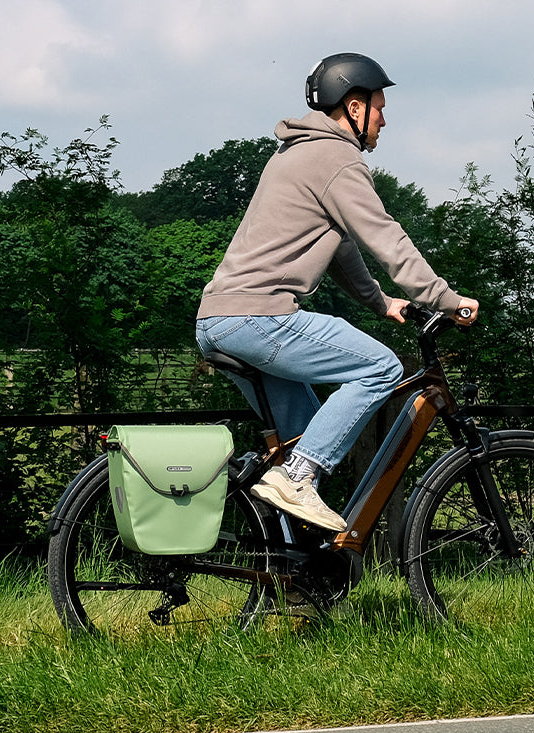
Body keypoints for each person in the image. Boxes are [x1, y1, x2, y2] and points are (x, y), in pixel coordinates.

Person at [194, 52, 480, 532]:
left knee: (300, 437)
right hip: (259, 317)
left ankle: (294, 576)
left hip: (218, 321)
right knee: (380, 367)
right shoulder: (337, 158)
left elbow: (343, 248)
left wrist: (381, 302)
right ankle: (300, 476)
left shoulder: (298, 151)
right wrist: (446, 298)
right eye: (379, 107)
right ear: (353, 107)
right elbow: (385, 238)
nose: (384, 120)